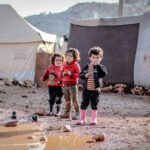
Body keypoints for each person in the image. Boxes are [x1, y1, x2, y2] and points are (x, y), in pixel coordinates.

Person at [77, 47, 107, 125]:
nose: (95, 59)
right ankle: (82, 119)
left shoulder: (101, 67)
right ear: (90, 58)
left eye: (98, 57)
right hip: (87, 90)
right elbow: (80, 74)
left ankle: (94, 120)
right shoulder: (87, 67)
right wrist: (85, 75)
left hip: (96, 91)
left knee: (94, 105)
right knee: (84, 104)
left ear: (101, 58)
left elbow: (103, 74)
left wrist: (98, 66)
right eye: (93, 57)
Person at [60, 48, 81, 120]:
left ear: (75, 57)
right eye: (67, 56)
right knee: (67, 100)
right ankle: (67, 113)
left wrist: (71, 74)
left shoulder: (76, 65)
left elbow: (79, 74)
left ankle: (78, 113)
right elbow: (61, 73)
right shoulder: (65, 64)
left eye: (71, 56)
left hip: (73, 85)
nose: (68, 57)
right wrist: (63, 73)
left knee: (74, 100)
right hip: (65, 85)